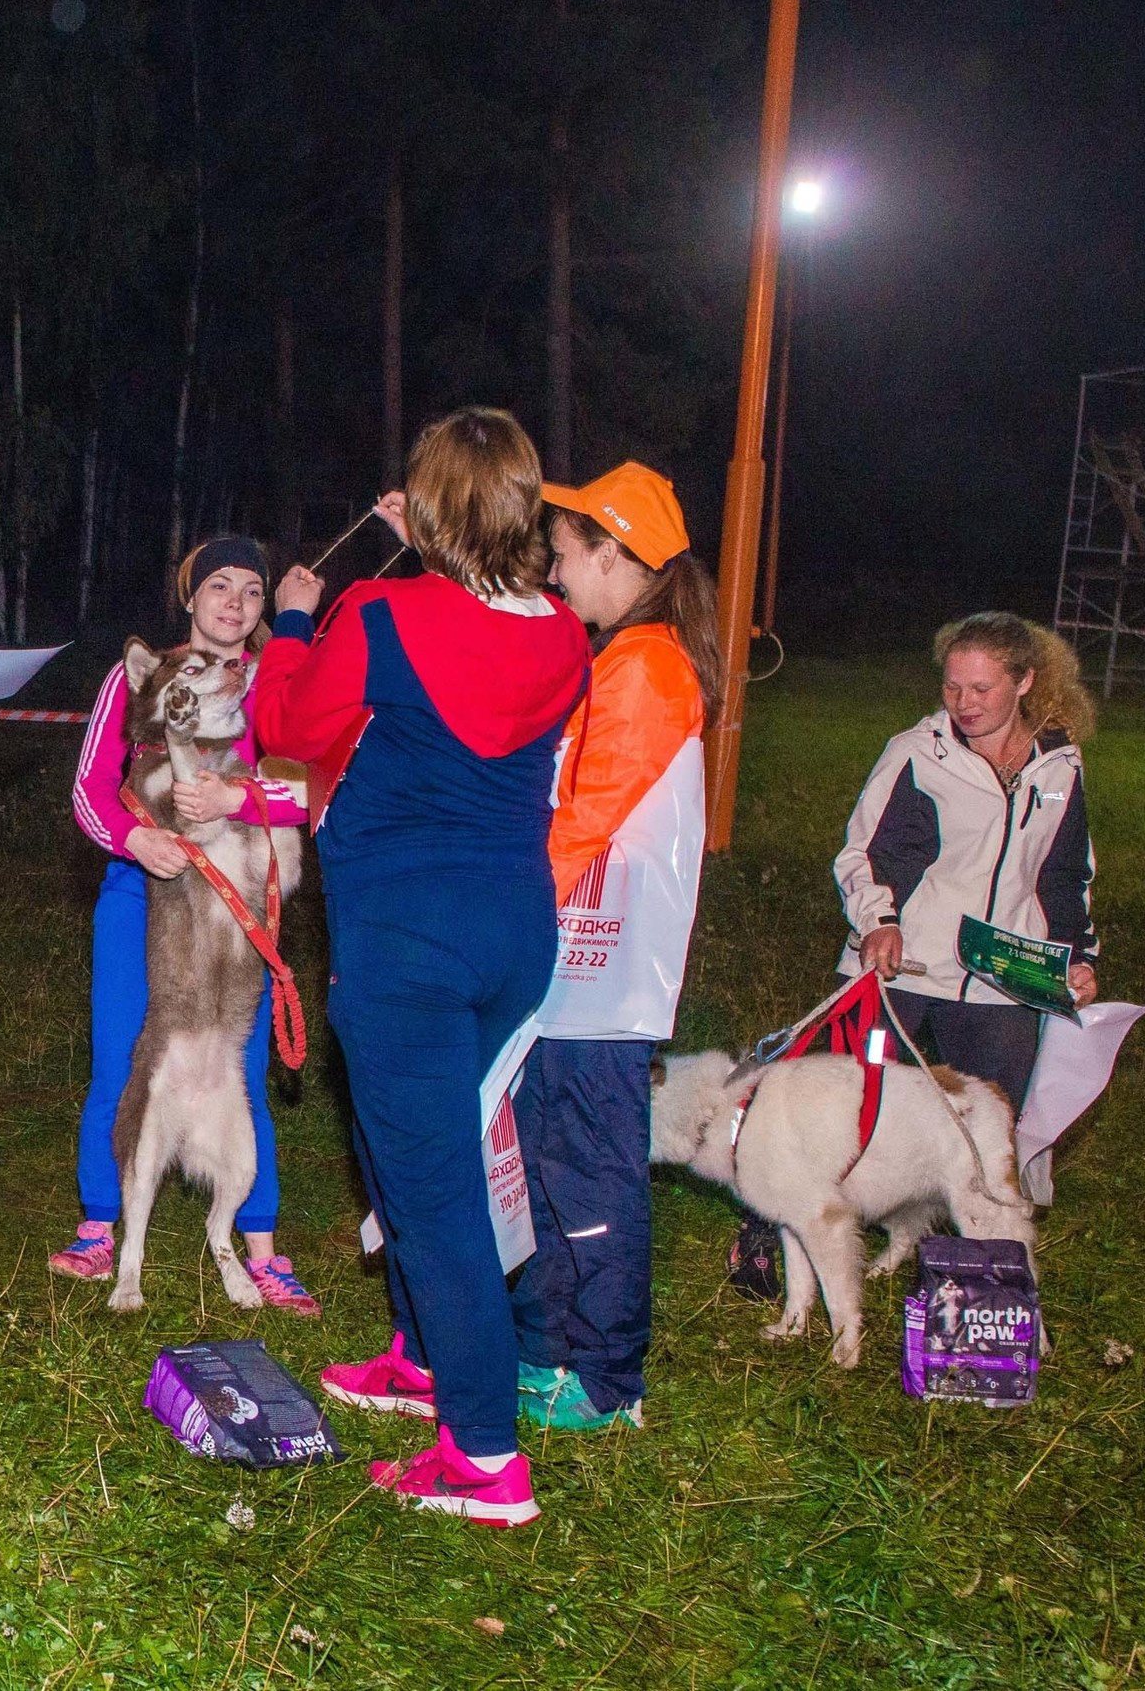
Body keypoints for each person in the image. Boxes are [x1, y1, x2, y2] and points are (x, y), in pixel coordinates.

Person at [255, 407, 589, 1527]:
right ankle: (418, 1350)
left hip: (407, 938)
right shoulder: (562, 632)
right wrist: (440, 546)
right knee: (400, 1145)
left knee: (436, 1191)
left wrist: (294, 621)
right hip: (511, 930)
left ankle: (485, 1455)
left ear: (433, 507)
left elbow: (285, 722)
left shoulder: (379, 613)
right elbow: (481, 638)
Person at [502, 462, 724, 1432]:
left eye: (565, 557)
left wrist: (500, 915)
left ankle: (603, 1375)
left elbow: (581, 818)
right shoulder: (624, 657)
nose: (556, 574)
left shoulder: (648, 667)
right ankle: (548, 1349)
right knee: (552, 1157)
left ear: (615, 554)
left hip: (600, 969)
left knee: (589, 1165)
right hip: (575, 964)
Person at [51, 535, 320, 1315]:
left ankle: (262, 1248)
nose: (234, 605)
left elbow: (306, 795)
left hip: (237, 912)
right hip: (145, 900)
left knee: (241, 1072)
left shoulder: (277, 685)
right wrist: (134, 838)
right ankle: (102, 1226)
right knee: (121, 1063)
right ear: (190, 596)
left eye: (251, 592)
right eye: (219, 588)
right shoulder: (144, 682)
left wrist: (242, 803)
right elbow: (90, 790)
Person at [833, 611, 1098, 1198]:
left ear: (1025, 681)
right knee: (845, 1109)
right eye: (952, 686)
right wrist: (879, 922)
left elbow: (1063, 877)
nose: (963, 702)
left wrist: (1078, 959)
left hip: (999, 979)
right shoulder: (917, 753)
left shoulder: (1059, 767)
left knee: (993, 1131)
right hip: (902, 966)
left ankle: (974, 1271)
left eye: (982, 688)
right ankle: (777, 1237)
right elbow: (865, 853)